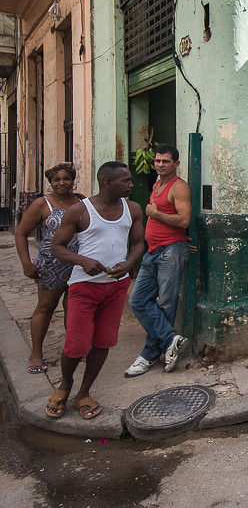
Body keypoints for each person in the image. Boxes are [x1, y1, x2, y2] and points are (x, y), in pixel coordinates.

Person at [44, 162, 145, 420]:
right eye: (126, 180)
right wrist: (82, 261)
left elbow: (138, 243)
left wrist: (129, 264)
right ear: (108, 182)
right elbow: (57, 247)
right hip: (83, 287)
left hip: (115, 286)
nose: (131, 185)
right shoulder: (80, 210)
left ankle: (84, 393)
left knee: (103, 342)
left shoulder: (132, 209)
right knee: (76, 344)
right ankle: (64, 386)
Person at [125, 144, 191, 377]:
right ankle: (171, 340)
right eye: (157, 161)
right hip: (152, 252)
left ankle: (148, 355)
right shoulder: (156, 184)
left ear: (176, 164)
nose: (160, 165)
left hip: (170, 252)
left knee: (166, 304)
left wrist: (156, 214)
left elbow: (183, 220)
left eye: (165, 161)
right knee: (138, 300)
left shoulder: (179, 187)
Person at [14, 163, 83, 374]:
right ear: (50, 183)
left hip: (77, 264)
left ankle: (72, 349)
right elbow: (21, 234)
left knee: (73, 308)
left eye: (66, 179)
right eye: (57, 180)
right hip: (51, 265)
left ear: (73, 181)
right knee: (45, 307)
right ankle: (36, 353)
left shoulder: (81, 202)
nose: (62, 183)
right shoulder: (41, 204)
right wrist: (27, 263)